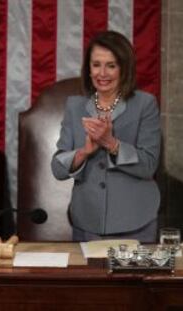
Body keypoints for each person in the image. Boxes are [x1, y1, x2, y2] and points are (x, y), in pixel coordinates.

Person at [51, 31, 161, 242]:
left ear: (124, 68)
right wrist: (84, 152)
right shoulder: (74, 106)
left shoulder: (145, 104)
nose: (102, 73)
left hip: (135, 220)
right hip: (87, 220)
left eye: (111, 65)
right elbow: (57, 168)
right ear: (88, 69)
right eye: (96, 65)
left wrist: (110, 143)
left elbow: (149, 165)